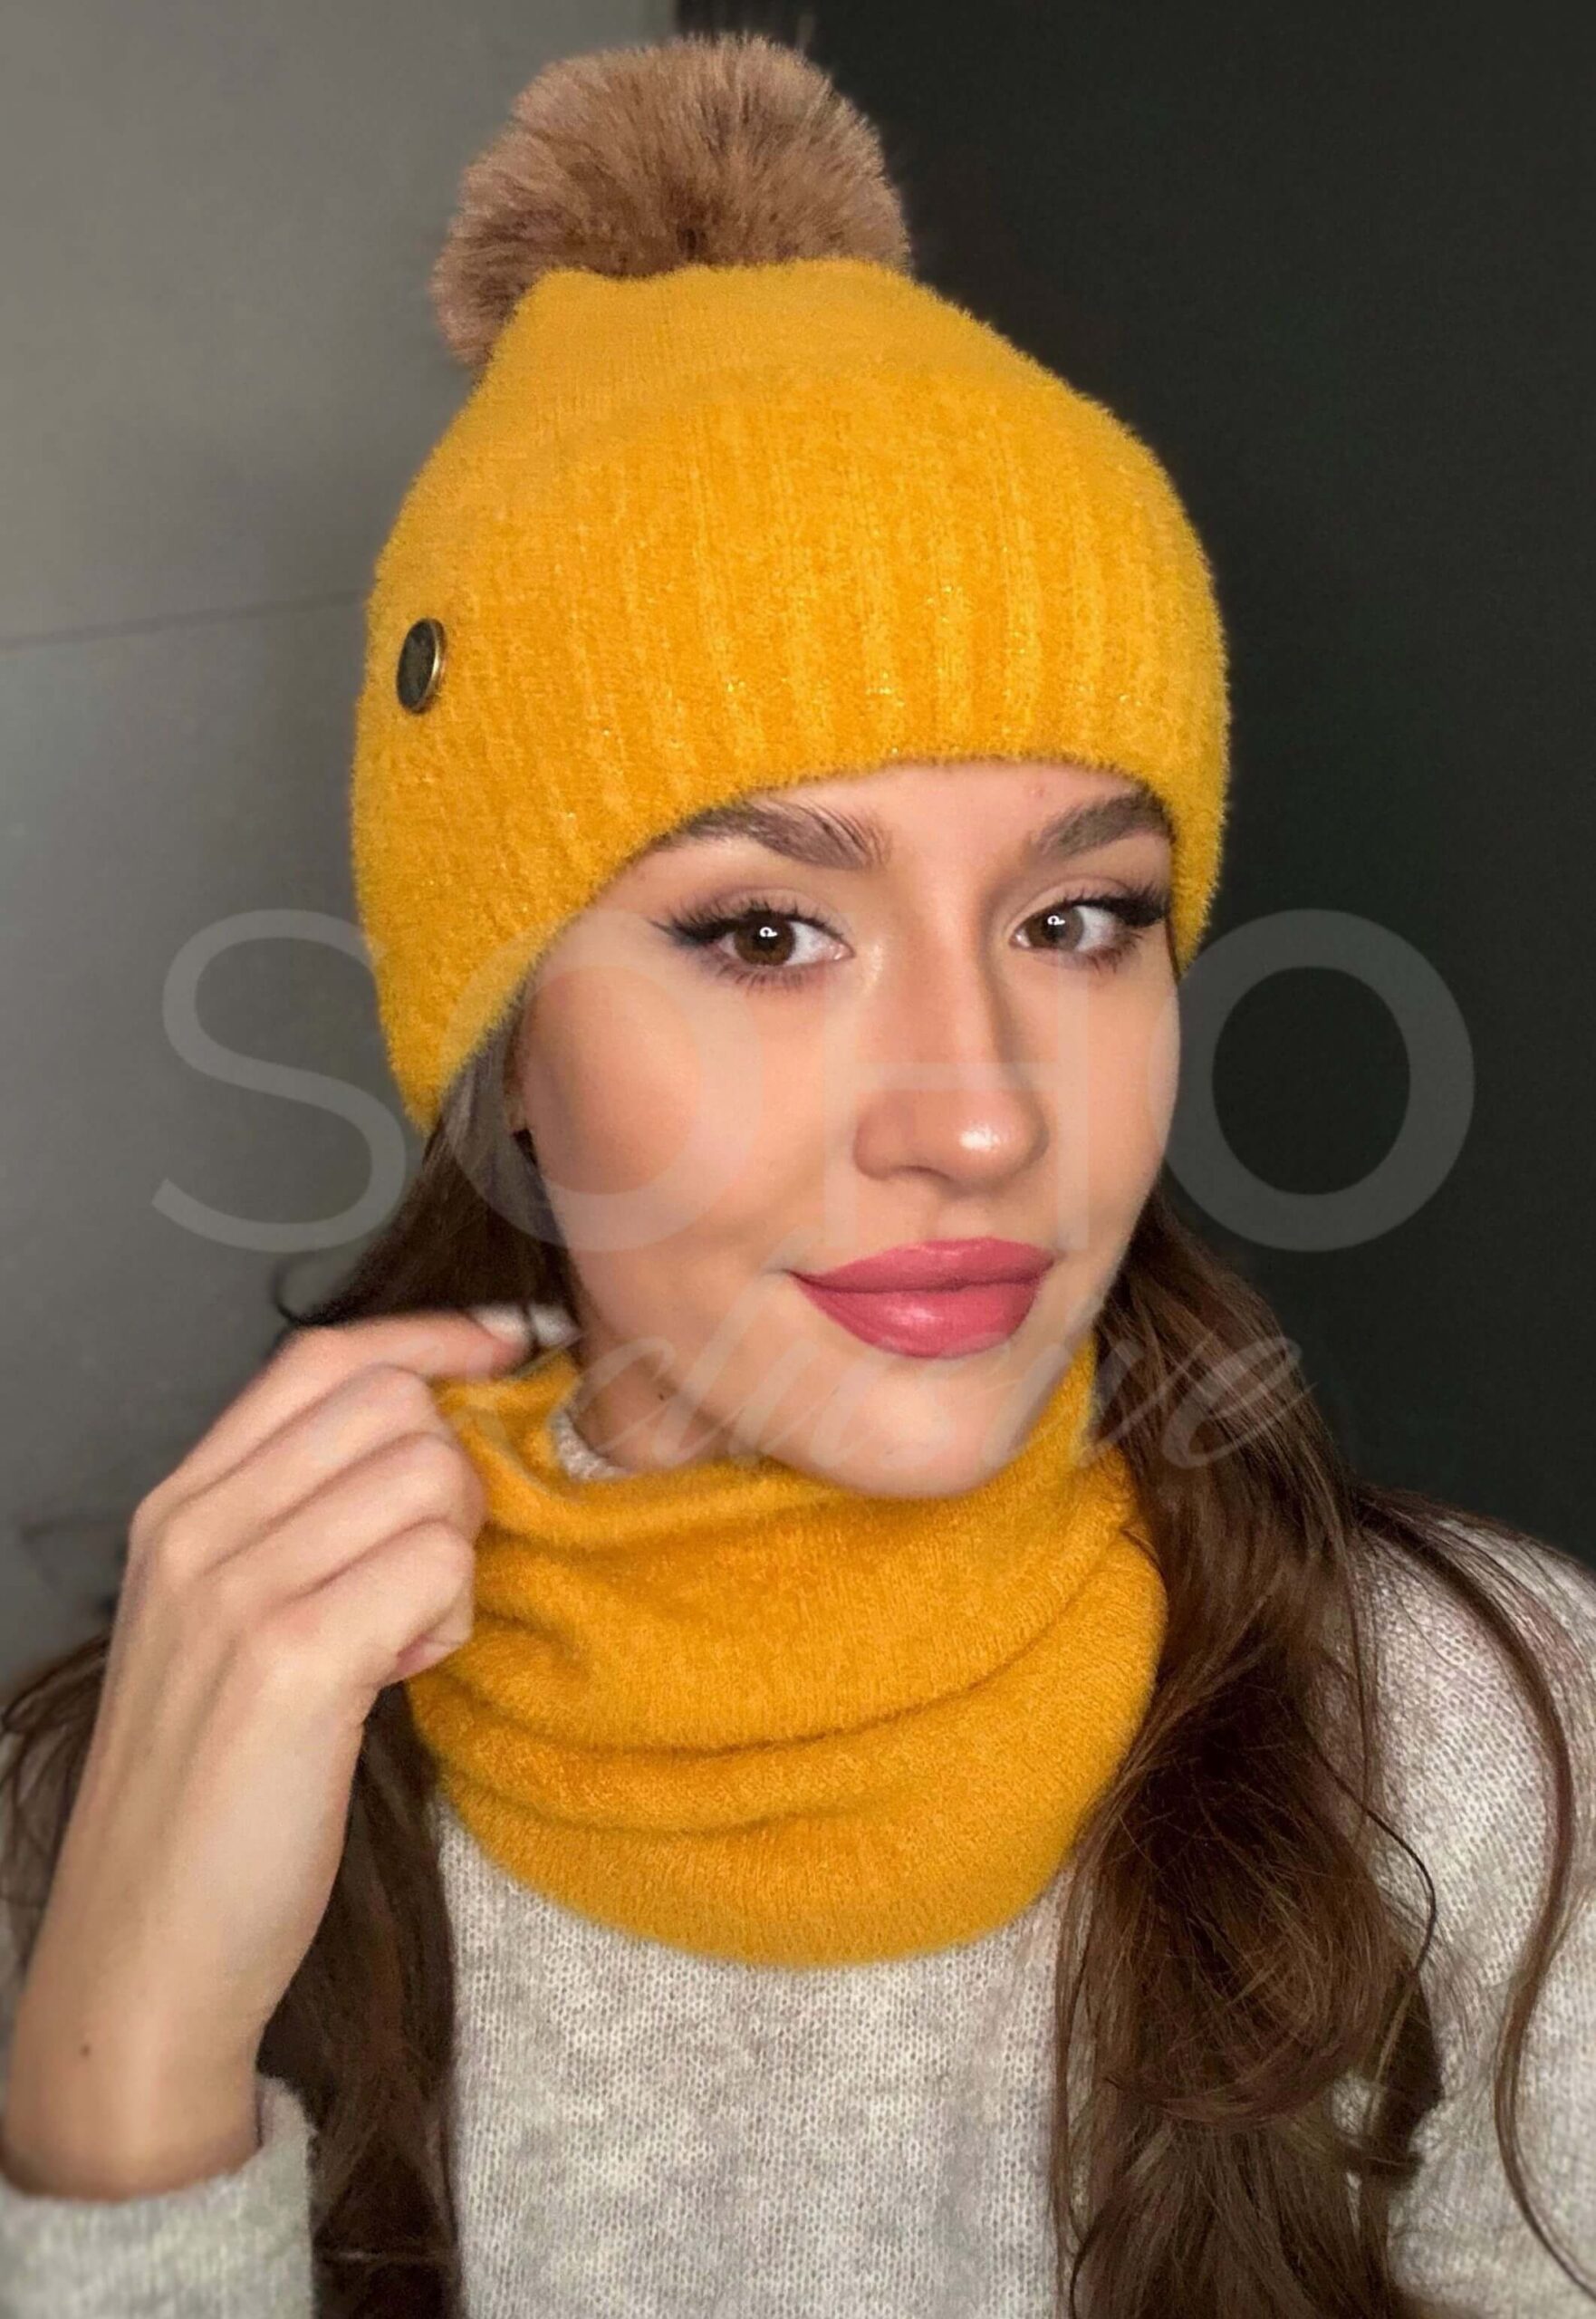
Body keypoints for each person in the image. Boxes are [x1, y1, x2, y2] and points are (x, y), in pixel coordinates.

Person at [2, 28, 1592, 2319]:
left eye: (1078, 917)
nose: (979, 1114)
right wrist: (131, 2065)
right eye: (763, 931)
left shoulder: (1483, 1745)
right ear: (505, 1050)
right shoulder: (135, 1784)